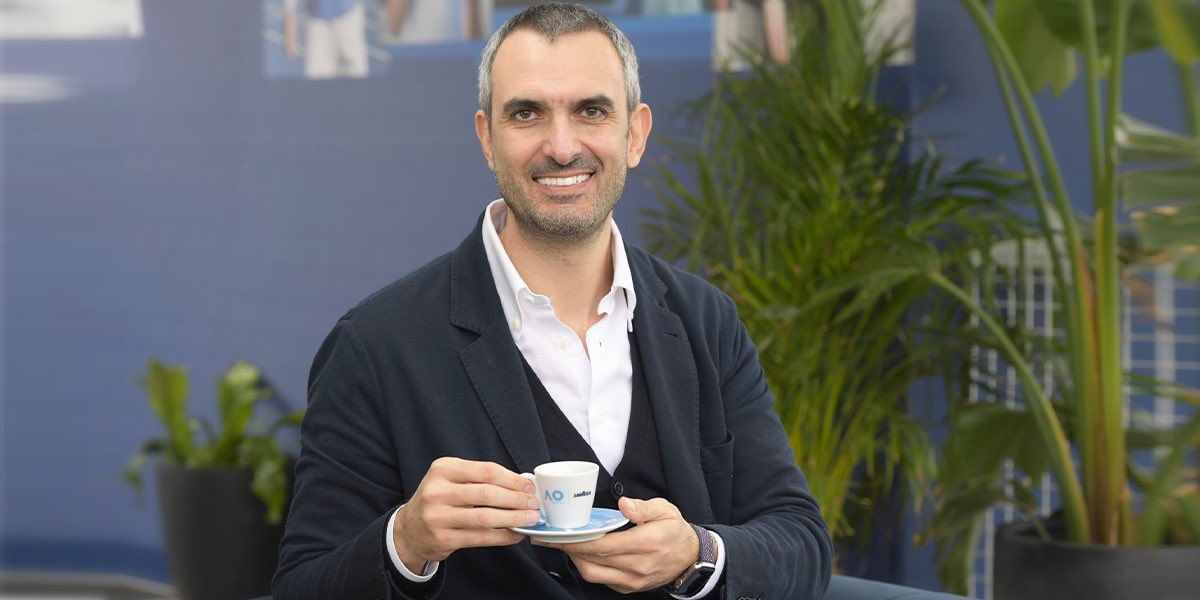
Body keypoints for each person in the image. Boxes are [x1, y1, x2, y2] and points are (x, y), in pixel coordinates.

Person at [272, 3, 832, 599]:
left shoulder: (706, 321)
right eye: (527, 113)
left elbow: (801, 542)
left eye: (591, 110)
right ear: (488, 139)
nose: (562, 147)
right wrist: (404, 543)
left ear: (635, 134)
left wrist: (699, 554)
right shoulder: (376, 346)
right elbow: (303, 585)